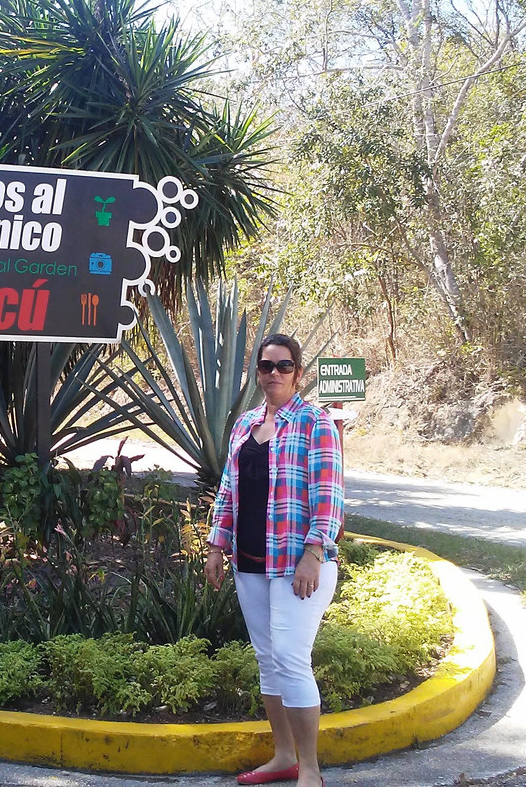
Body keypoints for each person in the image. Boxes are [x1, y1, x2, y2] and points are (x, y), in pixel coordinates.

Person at [204, 334, 344, 787]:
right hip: (250, 563)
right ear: (257, 372)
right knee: (268, 660)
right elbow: (228, 489)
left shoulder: (314, 423)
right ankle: (284, 756)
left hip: (296, 563)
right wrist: (215, 546)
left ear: (298, 373)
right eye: (267, 366)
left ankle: (311, 771)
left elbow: (329, 496)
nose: (275, 374)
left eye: (284, 367)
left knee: (290, 657)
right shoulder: (245, 424)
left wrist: (314, 552)